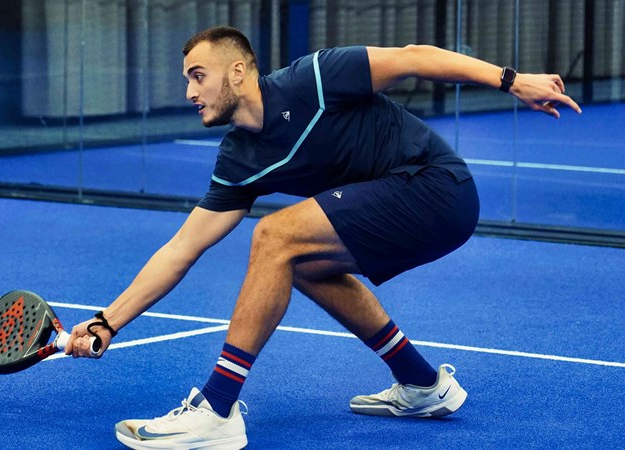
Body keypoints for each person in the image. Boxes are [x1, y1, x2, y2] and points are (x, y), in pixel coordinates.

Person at [65, 26, 581, 449]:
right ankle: (423, 385)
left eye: (198, 76)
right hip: (403, 202)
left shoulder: (313, 77)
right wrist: (109, 320)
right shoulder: (238, 159)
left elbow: (413, 56)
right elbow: (181, 249)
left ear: (239, 71)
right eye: (187, 80)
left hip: (438, 185)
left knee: (276, 235)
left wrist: (512, 81)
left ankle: (216, 411)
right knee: (303, 262)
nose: (189, 92)